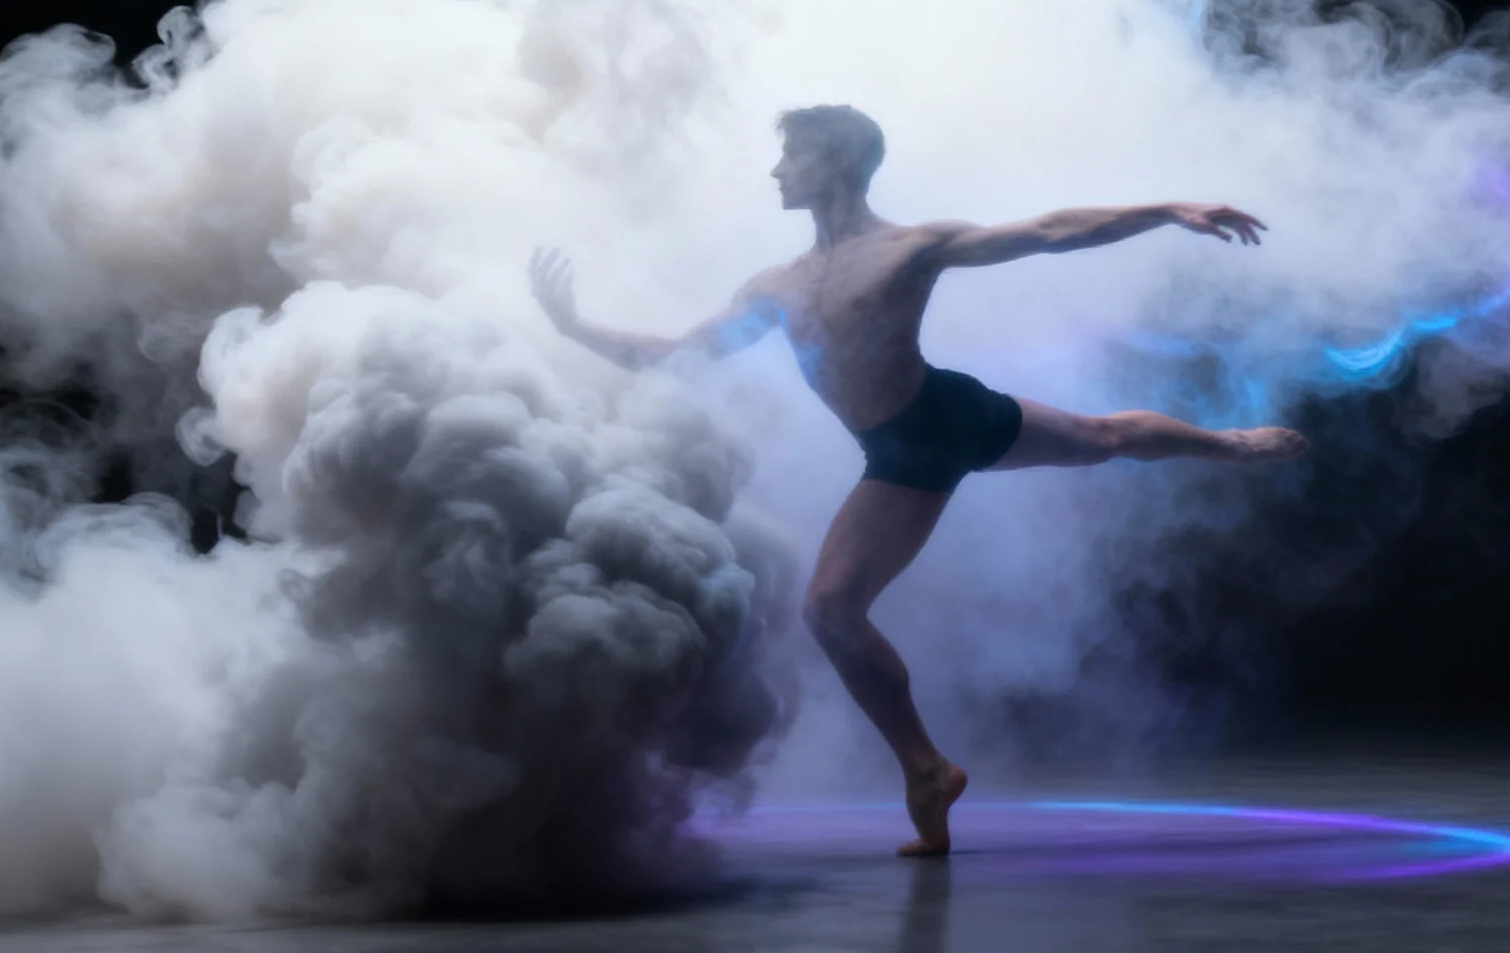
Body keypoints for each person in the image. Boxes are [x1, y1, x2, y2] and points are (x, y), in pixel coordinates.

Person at [528, 105, 1308, 856]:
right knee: (833, 612)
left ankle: (1232, 445)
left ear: (833, 161)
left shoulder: (909, 248)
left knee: (1097, 437)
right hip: (896, 457)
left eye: (789, 155)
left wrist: (1171, 209)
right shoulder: (775, 287)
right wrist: (573, 326)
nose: (775, 171)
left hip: (947, 414)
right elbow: (680, 355)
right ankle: (928, 773)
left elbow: (1048, 233)